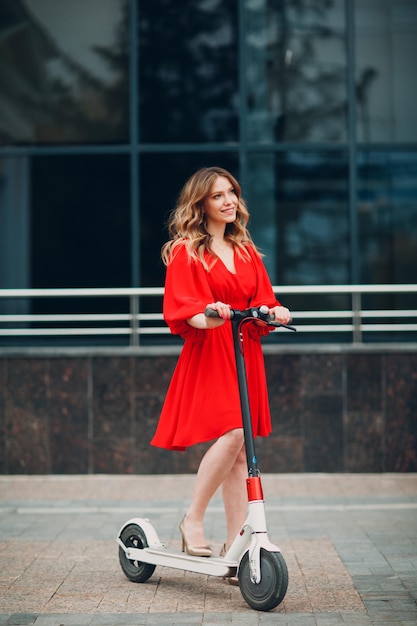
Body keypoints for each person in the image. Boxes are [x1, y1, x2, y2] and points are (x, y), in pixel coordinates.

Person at [150, 166, 291, 574]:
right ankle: (192, 518)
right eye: (217, 196)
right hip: (211, 350)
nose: (228, 201)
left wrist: (276, 312)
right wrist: (210, 315)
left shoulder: (246, 250)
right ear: (201, 204)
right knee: (233, 431)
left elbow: (264, 301)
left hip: (244, 352)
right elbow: (184, 310)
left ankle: (235, 548)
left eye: (231, 193)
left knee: (240, 450)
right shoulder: (185, 251)